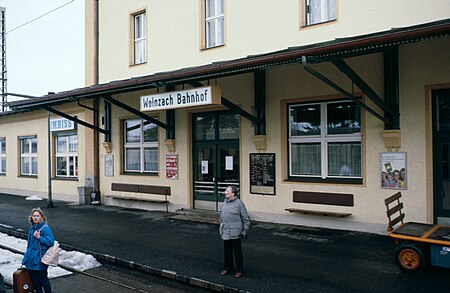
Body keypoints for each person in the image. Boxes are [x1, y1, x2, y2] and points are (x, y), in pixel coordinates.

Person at [219, 186, 250, 278]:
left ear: (233, 193)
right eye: (225, 191)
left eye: (227, 191)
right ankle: (227, 268)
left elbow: (246, 219)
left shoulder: (239, 203)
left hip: (235, 232)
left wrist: (245, 230)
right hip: (225, 231)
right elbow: (221, 216)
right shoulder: (224, 202)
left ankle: (240, 270)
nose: (225, 192)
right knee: (227, 251)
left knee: (237, 252)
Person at [22, 207, 54, 293]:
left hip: (40, 257)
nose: (35, 217)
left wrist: (39, 237)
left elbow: (51, 242)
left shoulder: (45, 228)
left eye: (37, 216)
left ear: (41, 217)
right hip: (32, 257)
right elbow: (29, 244)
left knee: (42, 278)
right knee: (34, 279)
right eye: (34, 216)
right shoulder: (33, 228)